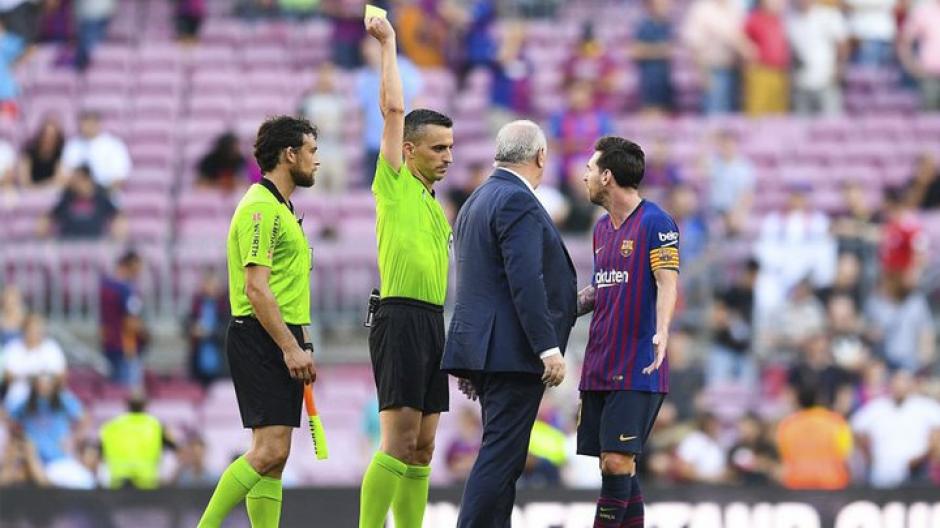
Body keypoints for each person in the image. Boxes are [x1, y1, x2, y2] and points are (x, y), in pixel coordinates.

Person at [441, 120, 576, 528]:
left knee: (505, 455)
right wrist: (547, 347)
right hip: (512, 352)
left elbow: (488, 282)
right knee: (501, 456)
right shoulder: (517, 200)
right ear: (540, 157)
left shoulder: (477, 200)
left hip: (487, 347)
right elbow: (524, 279)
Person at [197, 115, 318, 528]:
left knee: (276, 456)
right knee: (268, 451)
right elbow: (256, 289)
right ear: (290, 154)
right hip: (260, 336)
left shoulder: (282, 207)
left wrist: (303, 342)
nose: (317, 160)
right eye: (312, 151)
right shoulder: (260, 209)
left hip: (280, 335)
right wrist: (289, 347)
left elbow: (289, 289)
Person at [359, 16, 454, 528]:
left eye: (451, 148)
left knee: (423, 446)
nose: (448, 157)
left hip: (433, 321)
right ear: (409, 150)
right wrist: (389, 42)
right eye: (438, 148)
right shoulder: (394, 182)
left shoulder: (435, 205)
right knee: (397, 442)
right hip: (399, 318)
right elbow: (394, 108)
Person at [574, 136, 679, 527]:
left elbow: (667, 283)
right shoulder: (601, 230)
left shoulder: (656, 222)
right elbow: (601, 288)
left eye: (589, 168)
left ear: (606, 176)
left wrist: (662, 330)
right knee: (613, 464)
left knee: (618, 461)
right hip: (600, 360)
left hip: (638, 362)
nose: (583, 176)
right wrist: (559, 309)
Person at [776, 387, 853, 489]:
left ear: (798, 401)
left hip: (797, 483)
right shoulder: (837, 423)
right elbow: (845, 453)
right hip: (831, 482)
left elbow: (784, 455)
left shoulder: (787, 425)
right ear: (820, 400)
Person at [100, 392, 176, 489]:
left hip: (118, 481)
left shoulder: (112, 425)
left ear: (127, 405)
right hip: (146, 482)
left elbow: (101, 451)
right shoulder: (156, 425)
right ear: (145, 406)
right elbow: (173, 446)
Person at [99, 250, 147, 387]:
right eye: (137, 269)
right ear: (129, 266)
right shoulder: (126, 289)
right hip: (126, 347)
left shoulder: (105, 286)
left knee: (113, 392)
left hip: (109, 344)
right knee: (128, 391)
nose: (138, 274)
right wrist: (144, 333)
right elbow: (130, 322)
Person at [39, 165, 122, 240]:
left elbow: (118, 216)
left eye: (77, 179)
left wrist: (117, 232)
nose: (73, 183)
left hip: (94, 244)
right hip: (68, 244)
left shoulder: (101, 197)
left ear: (87, 179)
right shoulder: (67, 197)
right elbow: (50, 216)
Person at [60, 110, 132, 190]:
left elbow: (120, 178)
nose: (88, 126)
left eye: (91, 122)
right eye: (85, 122)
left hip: (105, 193)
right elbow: (63, 174)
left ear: (98, 123)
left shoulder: (114, 145)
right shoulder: (72, 145)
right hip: (75, 193)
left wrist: (98, 193)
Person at [898, 0, 940, 111]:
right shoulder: (923, 11)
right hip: (930, 75)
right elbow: (904, 41)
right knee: (930, 115)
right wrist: (912, 66)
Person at [17, 115, 66, 187]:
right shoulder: (28, 153)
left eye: (52, 136)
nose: (48, 139)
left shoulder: (61, 154)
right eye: (45, 135)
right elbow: (24, 181)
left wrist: (40, 188)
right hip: (29, 192)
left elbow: (59, 180)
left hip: (51, 192)